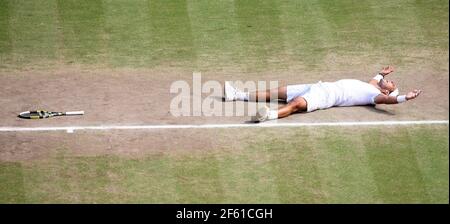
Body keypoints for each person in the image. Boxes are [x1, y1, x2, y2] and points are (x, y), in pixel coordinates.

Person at [224, 66, 422, 122]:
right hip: (319, 85)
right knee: (275, 92)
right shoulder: (371, 85)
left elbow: (389, 100)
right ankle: (237, 95)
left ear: (387, 91)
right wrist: (381, 73)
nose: (390, 80)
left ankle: (269, 116)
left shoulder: (374, 96)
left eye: (391, 83)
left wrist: (405, 97)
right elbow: (374, 80)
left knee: (295, 105)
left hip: (326, 97)